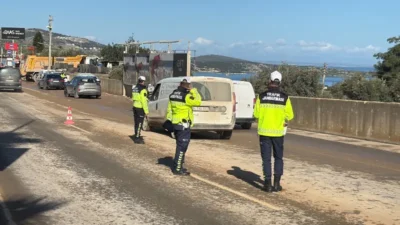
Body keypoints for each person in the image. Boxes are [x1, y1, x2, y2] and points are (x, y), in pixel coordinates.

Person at [253, 71, 294, 192]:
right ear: (280, 82)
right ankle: (277, 184)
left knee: (266, 159)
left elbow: (256, 114)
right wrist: (283, 119)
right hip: (278, 133)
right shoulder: (285, 97)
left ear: (269, 81)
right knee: (278, 158)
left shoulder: (261, 96)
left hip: (264, 132)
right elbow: (290, 115)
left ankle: (267, 184)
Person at [166, 77, 202, 175]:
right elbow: (198, 101)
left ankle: (179, 165)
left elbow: (169, 110)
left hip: (176, 124)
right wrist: (194, 91)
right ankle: (177, 169)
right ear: (188, 85)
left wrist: (170, 121)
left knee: (180, 146)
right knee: (182, 147)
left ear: (180, 83)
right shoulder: (186, 97)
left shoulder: (173, 94)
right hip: (183, 125)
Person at [132, 76, 149, 144]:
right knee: (139, 123)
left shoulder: (135, 88)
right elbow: (144, 101)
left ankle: (136, 134)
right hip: (140, 108)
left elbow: (134, 97)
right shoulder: (143, 90)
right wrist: (146, 111)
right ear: (143, 81)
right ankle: (137, 138)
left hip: (135, 106)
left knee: (136, 123)